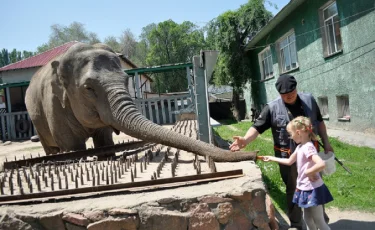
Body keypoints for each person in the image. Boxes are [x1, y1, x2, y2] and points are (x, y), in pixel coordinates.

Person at [230, 74, 333, 230]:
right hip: (287, 155)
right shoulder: (271, 107)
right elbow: (257, 127)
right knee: (294, 189)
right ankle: (297, 225)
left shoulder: (309, 100)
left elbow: (320, 122)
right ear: (279, 94)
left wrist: (326, 143)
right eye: (285, 95)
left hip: (311, 154)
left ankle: (320, 220)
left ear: (296, 88)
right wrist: (244, 140)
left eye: (291, 93)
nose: (289, 97)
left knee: (314, 185)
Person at [261, 116, 333, 230]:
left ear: (298, 132)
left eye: (291, 134)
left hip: (312, 189)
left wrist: (309, 172)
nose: (290, 137)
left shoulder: (308, 147)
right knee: (308, 218)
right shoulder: (300, 147)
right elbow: (289, 161)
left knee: (319, 221)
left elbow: (321, 164)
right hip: (304, 188)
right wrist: (271, 158)